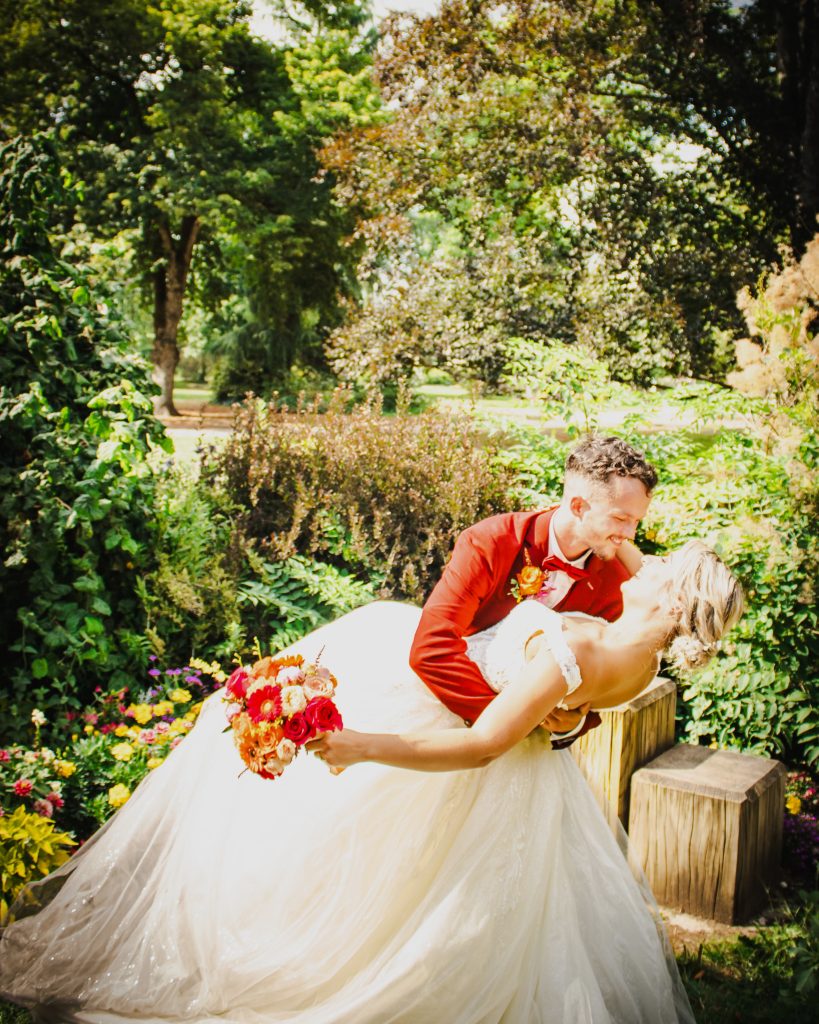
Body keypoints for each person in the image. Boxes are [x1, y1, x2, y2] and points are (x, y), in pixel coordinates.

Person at [0, 542, 742, 1024]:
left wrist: (362, 745)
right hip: (524, 781)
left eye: (666, 568)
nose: (650, 563)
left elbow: (483, 743)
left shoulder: (580, 647)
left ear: (675, 604)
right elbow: (563, 709)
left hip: (450, 742)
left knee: (348, 867)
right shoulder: (639, 662)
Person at [410, 435, 657, 745]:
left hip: (533, 747)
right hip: (447, 716)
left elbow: (597, 683)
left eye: (636, 521)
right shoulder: (489, 542)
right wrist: (506, 725)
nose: (629, 534)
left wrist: (574, 723)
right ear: (579, 506)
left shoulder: (614, 585)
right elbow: (431, 649)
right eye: (620, 518)